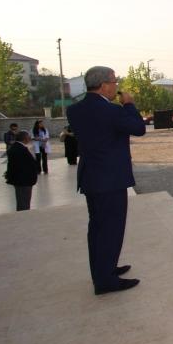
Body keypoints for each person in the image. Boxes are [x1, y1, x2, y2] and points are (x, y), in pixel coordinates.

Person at [66, 66, 145, 295]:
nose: (117, 85)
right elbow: (139, 128)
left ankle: (104, 269)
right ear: (103, 85)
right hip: (110, 179)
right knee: (111, 228)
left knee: (98, 228)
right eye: (114, 81)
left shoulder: (75, 110)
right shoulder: (111, 111)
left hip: (91, 177)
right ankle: (105, 281)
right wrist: (129, 104)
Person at [5, 131, 39, 210]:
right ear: (25, 138)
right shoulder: (20, 149)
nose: (30, 138)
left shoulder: (18, 147)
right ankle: (23, 217)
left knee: (24, 200)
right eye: (28, 136)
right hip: (23, 180)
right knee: (23, 202)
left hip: (23, 180)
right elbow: (25, 165)